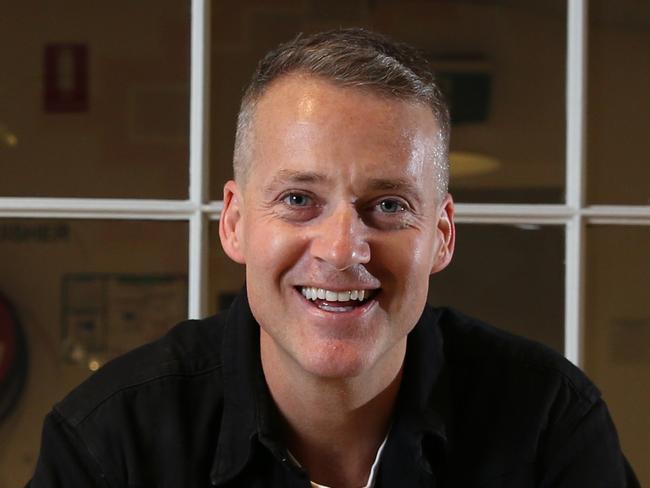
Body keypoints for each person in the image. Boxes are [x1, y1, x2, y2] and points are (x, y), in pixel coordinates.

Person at [28, 28, 638, 488]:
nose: (343, 248)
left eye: (390, 204)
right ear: (236, 224)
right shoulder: (110, 443)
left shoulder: (549, 424)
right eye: (299, 199)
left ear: (443, 234)